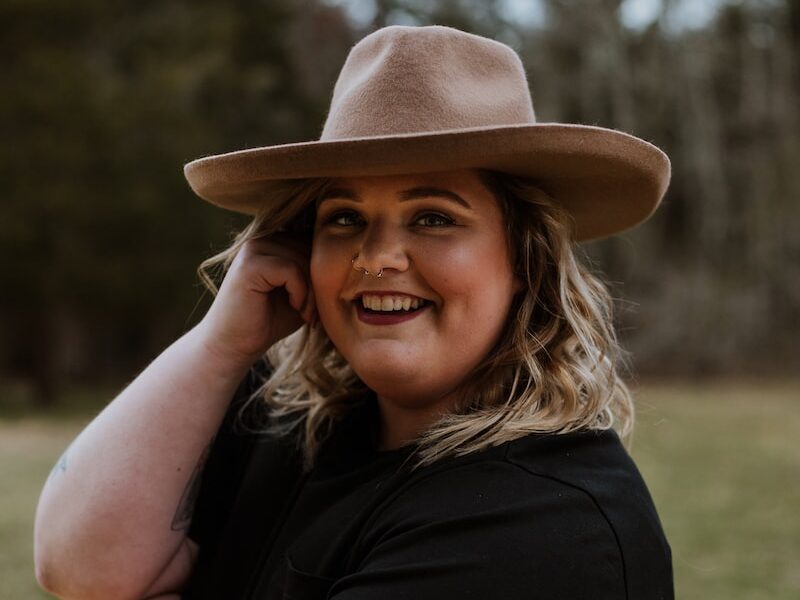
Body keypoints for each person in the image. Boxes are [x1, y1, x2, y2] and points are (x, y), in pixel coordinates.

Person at [34, 24, 673, 600]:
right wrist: (218, 345)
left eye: (433, 217)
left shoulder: (544, 525)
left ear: (526, 262)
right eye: (344, 219)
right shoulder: (284, 418)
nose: (375, 258)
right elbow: (79, 569)